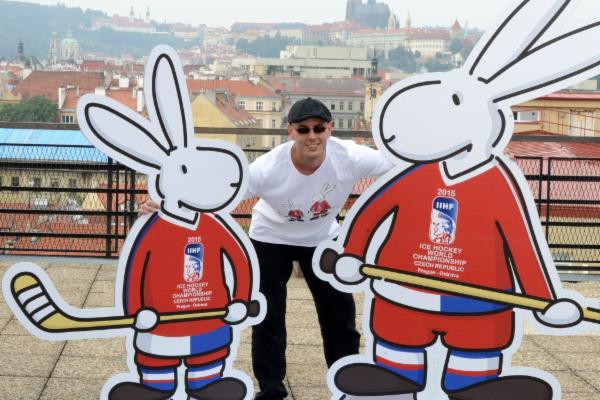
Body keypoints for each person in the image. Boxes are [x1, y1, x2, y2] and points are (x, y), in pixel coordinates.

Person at [140, 97, 396, 400]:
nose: (312, 136)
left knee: (339, 315)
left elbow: (401, 164)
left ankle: (346, 387)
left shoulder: (350, 156)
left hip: (322, 237)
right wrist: (168, 204)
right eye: (303, 129)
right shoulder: (267, 168)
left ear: (329, 129)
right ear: (291, 131)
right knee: (268, 316)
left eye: (318, 128)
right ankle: (271, 391)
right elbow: (220, 196)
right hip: (270, 237)